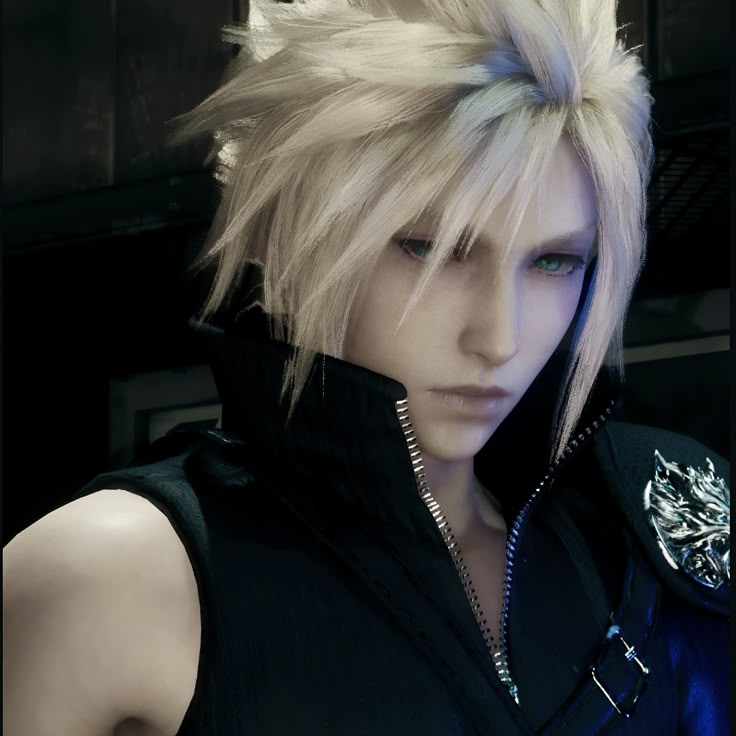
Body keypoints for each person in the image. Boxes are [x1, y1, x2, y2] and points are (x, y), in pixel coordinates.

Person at [4, 0, 729, 734]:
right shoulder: (104, 574)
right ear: (290, 237)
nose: (500, 338)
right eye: (432, 248)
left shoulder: (660, 525)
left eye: (555, 261)